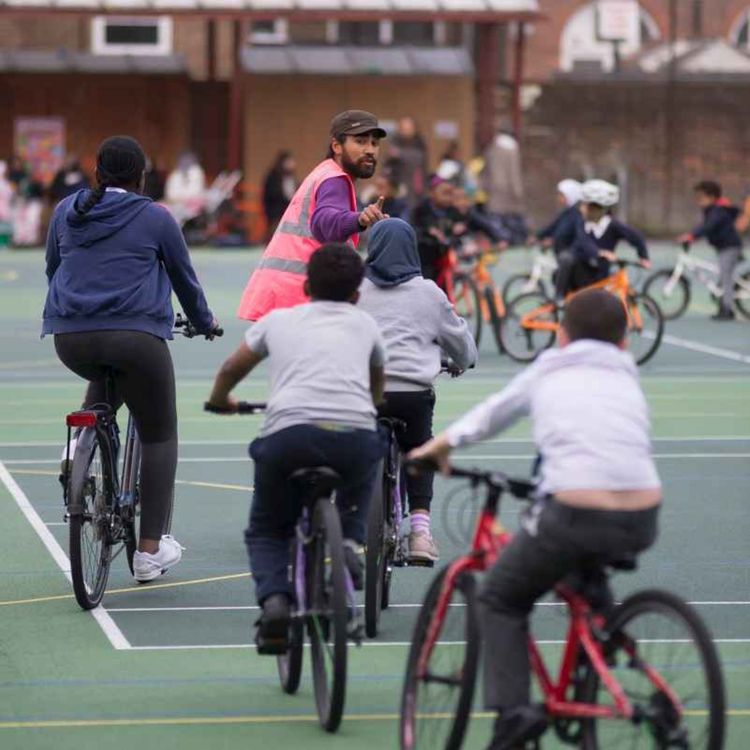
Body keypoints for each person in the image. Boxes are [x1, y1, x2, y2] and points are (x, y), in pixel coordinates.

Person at [410, 288, 661, 750]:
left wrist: (437, 448)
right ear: (624, 343)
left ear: (561, 335)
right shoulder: (626, 372)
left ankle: (513, 714)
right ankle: (605, 642)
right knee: (582, 573)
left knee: (501, 598)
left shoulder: (552, 367)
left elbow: (490, 417)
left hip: (574, 508)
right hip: (644, 512)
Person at [43, 135, 218, 583]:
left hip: (70, 338)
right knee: (160, 434)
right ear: (142, 177)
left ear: (96, 172)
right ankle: (149, 551)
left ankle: (78, 444)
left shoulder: (67, 209)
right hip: (135, 338)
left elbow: (53, 266)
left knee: (109, 379)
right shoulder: (156, 217)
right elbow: (185, 281)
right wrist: (204, 321)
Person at [207, 244, 386, 652]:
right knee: (367, 461)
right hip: (353, 436)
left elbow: (232, 367)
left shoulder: (279, 320)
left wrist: (221, 399)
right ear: (357, 294)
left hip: (289, 435)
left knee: (268, 529)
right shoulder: (366, 325)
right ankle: (348, 541)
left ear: (305, 286)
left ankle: (274, 601)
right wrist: (371, 406)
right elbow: (377, 380)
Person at [358, 218, 478, 562]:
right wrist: (458, 361)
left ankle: (348, 532)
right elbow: (463, 348)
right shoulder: (429, 292)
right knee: (421, 450)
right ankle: (421, 535)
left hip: (364, 393)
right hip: (412, 395)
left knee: (352, 452)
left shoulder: (355, 290)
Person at [237, 110, 388, 322]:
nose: (370, 150)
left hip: (286, 294)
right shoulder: (334, 180)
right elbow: (324, 222)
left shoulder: (323, 173)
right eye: (360, 141)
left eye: (374, 143)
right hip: (300, 296)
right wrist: (359, 219)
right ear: (337, 146)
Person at [555, 179, 650, 301]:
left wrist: (644, 257)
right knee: (566, 257)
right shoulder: (581, 223)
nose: (581, 209)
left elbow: (636, 237)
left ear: (597, 209)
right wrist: (599, 252)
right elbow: (584, 242)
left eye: (584, 206)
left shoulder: (613, 225)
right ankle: (559, 298)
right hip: (578, 274)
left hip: (599, 275)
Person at [678, 180, 743, 321]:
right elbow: (705, 226)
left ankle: (728, 309)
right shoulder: (712, 210)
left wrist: (691, 236)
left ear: (712, 198)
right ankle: (723, 303)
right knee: (722, 274)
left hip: (730, 247)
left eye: (701, 198)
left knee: (726, 277)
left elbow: (707, 226)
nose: (698, 202)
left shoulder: (718, 211)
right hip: (722, 247)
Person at [480, 126, 527, 245]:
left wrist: (484, 187)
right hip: (508, 190)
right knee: (510, 221)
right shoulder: (512, 149)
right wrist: (518, 190)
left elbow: (486, 170)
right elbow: (514, 172)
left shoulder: (492, 148)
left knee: (495, 220)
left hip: (494, 189)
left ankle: (499, 242)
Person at [411, 174, 457, 281]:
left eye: (450, 194)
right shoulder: (421, 209)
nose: (448, 198)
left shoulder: (452, 211)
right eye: (444, 193)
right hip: (424, 257)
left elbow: (473, 221)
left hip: (443, 256)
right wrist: (428, 233)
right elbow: (413, 228)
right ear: (432, 193)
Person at [385, 116, 429, 208]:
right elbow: (387, 167)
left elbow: (422, 166)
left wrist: (400, 155)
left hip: (417, 188)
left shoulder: (420, 144)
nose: (406, 131)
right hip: (399, 188)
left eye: (409, 128)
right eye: (403, 128)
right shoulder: (394, 144)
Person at [533, 179, 582, 253]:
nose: (558, 198)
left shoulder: (578, 213)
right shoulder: (566, 213)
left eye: (561, 195)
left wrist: (553, 240)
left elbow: (568, 233)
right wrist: (537, 236)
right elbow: (553, 227)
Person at [261, 150, 298, 241]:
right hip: (276, 210)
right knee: (275, 232)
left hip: (289, 208)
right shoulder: (273, 176)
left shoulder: (291, 176)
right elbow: (270, 194)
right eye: (289, 161)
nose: (293, 164)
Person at [164, 151, 206, 226]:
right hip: (174, 205)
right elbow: (170, 194)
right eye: (183, 160)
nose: (185, 162)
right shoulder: (175, 174)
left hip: (191, 208)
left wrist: (183, 199)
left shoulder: (196, 172)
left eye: (188, 159)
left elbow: (195, 193)